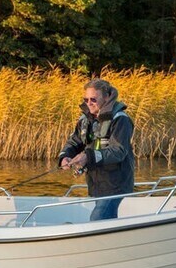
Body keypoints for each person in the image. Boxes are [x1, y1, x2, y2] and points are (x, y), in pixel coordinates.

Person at [58, 79, 135, 221]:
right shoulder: (85, 119)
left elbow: (118, 151)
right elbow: (74, 142)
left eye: (93, 99)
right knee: (105, 223)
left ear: (107, 97)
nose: (89, 103)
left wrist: (88, 157)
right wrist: (65, 156)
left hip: (115, 185)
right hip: (95, 185)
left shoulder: (120, 119)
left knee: (97, 220)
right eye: (86, 99)